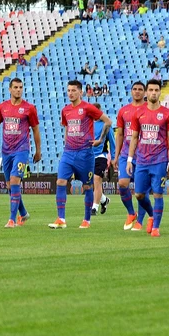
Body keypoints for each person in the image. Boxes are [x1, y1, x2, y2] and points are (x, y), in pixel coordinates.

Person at [49, 80, 112, 229]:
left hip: (85, 154)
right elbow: (66, 127)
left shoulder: (88, 108)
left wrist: (100, 140)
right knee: (60, 182)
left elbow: (108, 122)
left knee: (87, 186)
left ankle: (87, 220)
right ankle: (61, 219)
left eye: (73, 90)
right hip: (69, 152)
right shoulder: (65, 110)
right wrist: (66, 142)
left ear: (80, 92)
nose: (70, 93)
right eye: (68, 90)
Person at [0, 78, 41, 228]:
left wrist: (38, 151)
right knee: (9, 185)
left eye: (20, 87)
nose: (18, 89)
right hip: (6, 150)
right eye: (15, 87)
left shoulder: (29, 108)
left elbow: (35, 130)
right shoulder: (2, 107)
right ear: (10, 89)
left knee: (14, 181)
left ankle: (12, 219)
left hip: (22, 150)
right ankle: (24, 213)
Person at [126, 80, 169, 238]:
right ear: (146, 93)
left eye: (156, 90)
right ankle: (151, 215)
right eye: (151, 90)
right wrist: (129, 159)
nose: (153, 92)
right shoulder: (138, 113)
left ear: (160, 92)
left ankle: (156, 228)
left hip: (159, 161)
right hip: (141, 161)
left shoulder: (168, 114)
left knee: (157, 194)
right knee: (139, 195)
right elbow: (134, 138)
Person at [114, 81, 148, 230]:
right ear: (131, 91)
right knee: (122, 183)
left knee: (141, 190)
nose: (137, 91)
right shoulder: (123, 111)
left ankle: (140, 221)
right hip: (125, 154)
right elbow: (120, 134)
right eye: (134, 89)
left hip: (144, 155)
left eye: (140, 89)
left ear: (145, 92)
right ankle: (131, 213)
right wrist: (115, 156)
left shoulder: (149, 110)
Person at [91, 103, 115, 215]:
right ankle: (104, 200)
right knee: (90, 183)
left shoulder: (106, 125)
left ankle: (94, 208)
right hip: (88, 156)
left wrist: (114, 158)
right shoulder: (88, 124)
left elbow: (112, 142)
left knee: (97, 179)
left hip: (101, 155)